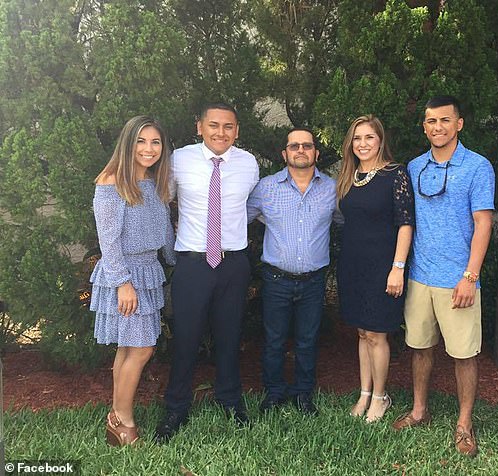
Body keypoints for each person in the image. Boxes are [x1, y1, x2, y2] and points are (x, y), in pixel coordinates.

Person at [393, 96, 495, 457]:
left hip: (458, 279)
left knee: (464, 355)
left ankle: (464, 424)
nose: (437, 127)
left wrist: (470, 276)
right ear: (424, 126)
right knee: (419, 348)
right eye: (431, 121)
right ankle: (419, 410)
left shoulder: (477, 166)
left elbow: (484, 223)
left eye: (444, 120)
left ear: (459, 123)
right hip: (420, 276)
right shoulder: (415, 166)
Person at [155, 102, 259, 442]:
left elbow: (253, 206)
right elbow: (161, 201)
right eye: (213, 125)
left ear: (237, 131)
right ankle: (176, 407)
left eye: (228, 126)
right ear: (199, 126)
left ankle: (230, 401)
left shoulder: (248, 164)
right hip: (193, 263)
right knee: (186, 337)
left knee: (229, 336)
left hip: (233, 263)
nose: (221, 132)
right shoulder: (179, 160)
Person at [90, 115, 176, 446]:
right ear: (128, 143)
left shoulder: (156, 182)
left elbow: (164, 226)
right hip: (125, 274)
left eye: (155, 142)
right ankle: (121, 419)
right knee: (142, 349)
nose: (148, 148)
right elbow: (108, 241)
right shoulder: (112, 181)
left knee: (130, 349)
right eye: (141, 141)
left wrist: (173, 259)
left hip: (148, 272)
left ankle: (117, 415)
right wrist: (123, 283)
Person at [247, 128, 339, 416]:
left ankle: (303, 394)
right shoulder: (266, 188)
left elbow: (346, 220)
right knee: (274, 339)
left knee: (307, 340)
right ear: (284, 153)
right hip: (276, 279)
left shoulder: (332, 189)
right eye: (294, 146)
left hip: (313, 281)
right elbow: (240, 219)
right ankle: (274, 393)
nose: (301, 150)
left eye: (307, 146)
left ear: (316, 153)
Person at [336, 115, 414, 423]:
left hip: (384, 265)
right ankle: (365, 393)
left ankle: (381, 396)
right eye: (357, 138)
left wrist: (398, 267)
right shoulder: (348, 177)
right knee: (362, 332)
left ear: (380, 140)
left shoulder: (395, 174)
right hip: (353, 265)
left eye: (369, 137)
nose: (363, 144)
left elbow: (405, 223)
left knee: (378, 334)